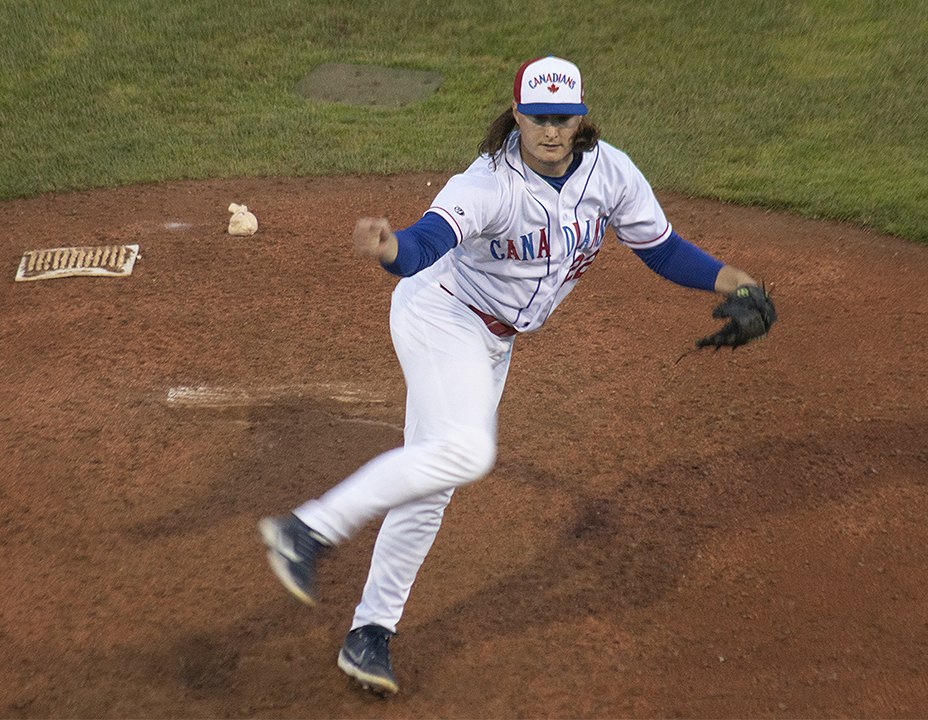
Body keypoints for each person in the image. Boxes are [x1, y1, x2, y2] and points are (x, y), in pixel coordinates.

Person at [258, 55, 776, 696]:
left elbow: (662, 248)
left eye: (562, 119)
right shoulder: (487, 184)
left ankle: (370, 633)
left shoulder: (611, 173)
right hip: (441, 314)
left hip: (493, 342)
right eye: (537, 119)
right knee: (466, 451)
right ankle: (307, 529)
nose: (550, 131)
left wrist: (739, 281)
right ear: (517, 115)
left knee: (433, 479)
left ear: (580, 117)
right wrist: (391, 249)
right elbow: (426, 242)